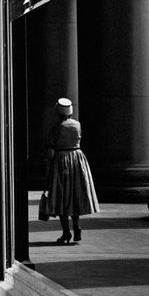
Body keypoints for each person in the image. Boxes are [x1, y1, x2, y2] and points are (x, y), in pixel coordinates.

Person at [46, 97, 99, 245]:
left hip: (61, 160)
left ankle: (66, 232)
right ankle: (76, 226)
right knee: (75, 194)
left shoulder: (56, 128)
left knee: (62, 197)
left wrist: (48, 170)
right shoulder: (77, 125)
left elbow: (51, 148)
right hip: (77, 158)